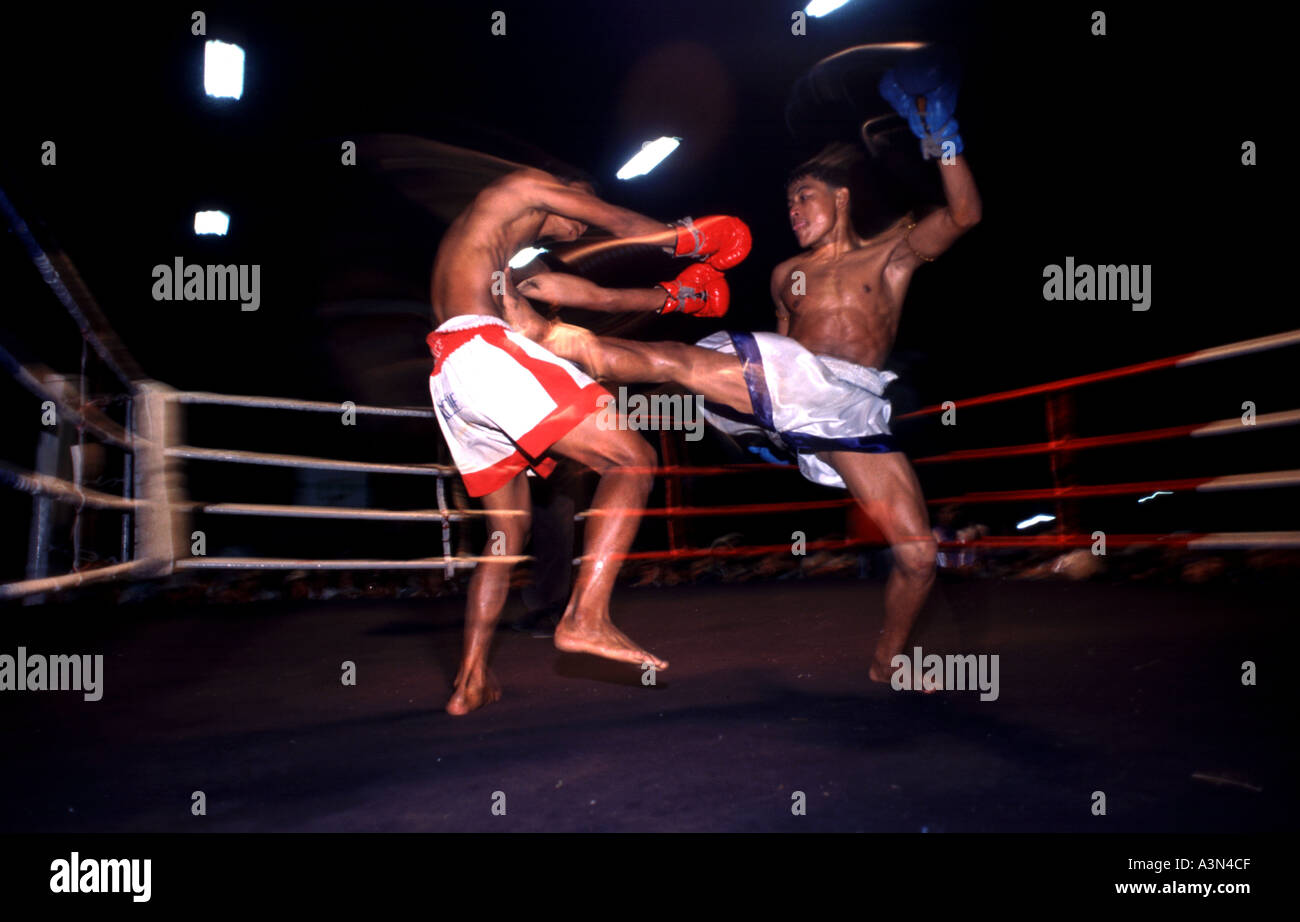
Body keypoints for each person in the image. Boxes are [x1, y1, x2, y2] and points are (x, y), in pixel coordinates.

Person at [512, 56, 981, 688]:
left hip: (851, 409)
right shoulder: (787, 274)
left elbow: (963, 217)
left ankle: (888, 659)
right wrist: (763, 423)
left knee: (920, 555)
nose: (792, 209)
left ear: (841, 198)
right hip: (792, 385)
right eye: (787, 201)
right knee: (682, 362)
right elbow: (779, 353)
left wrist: (942, 139)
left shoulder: (891, 254)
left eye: (803, 197)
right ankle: (554, 335)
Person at [427, 163, 749, 713]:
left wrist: (672, 299)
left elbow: (585, 310)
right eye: (580, 204)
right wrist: (689, 240)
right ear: (561, 190)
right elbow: (617, 219)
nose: (582, 227)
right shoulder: (516, 189)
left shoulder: (494, 267)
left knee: (505, 539)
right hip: (482, 353)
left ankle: (470, 681)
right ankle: (585, 617)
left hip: (450, 376)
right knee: (632, 458)